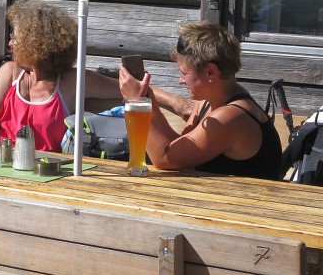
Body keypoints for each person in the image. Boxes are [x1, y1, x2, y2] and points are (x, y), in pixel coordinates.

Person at [119, 20, 282, 180]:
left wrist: (136, 102)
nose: (180, 80)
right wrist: (147, 99)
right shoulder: (206, 102)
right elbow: (176, 147)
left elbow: (163, 159)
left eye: (184, 73)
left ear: (210, 72)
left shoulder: (229, 118)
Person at [0, 0, 121, 151]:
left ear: (33, 45)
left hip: (44, 163)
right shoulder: (10, 72)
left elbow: (125, 89)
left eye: (14, 38)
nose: (10, 44)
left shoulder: (71, 82)